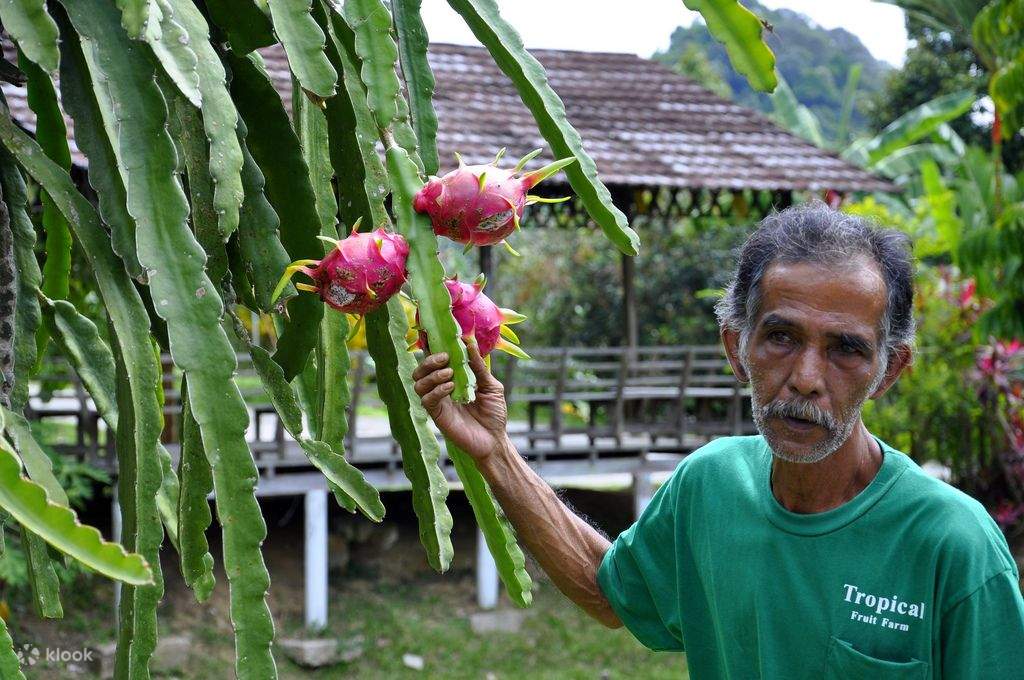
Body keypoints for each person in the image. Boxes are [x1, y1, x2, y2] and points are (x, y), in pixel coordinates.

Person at [411, 203, 1024, 678]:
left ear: (888, 371)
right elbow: (609, 591)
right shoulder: (710, 486)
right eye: (781, 337)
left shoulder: (955, 546)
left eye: (845, 349)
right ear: (737, 347)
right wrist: (496, 453)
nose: (806, 379)